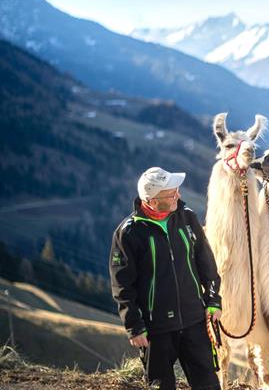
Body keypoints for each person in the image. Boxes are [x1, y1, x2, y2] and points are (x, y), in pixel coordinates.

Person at [109, 167, 222, 390]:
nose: (178, 196)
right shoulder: (127, 233)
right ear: (150, 200)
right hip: (155, 330)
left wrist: (213, 301)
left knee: (208, 385)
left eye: (177, 190)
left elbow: (206, 262)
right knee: (161, 386)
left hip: (194, 321)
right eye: (171, 194)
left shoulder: (187, 217)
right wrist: (133, 325)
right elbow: (122, 284)